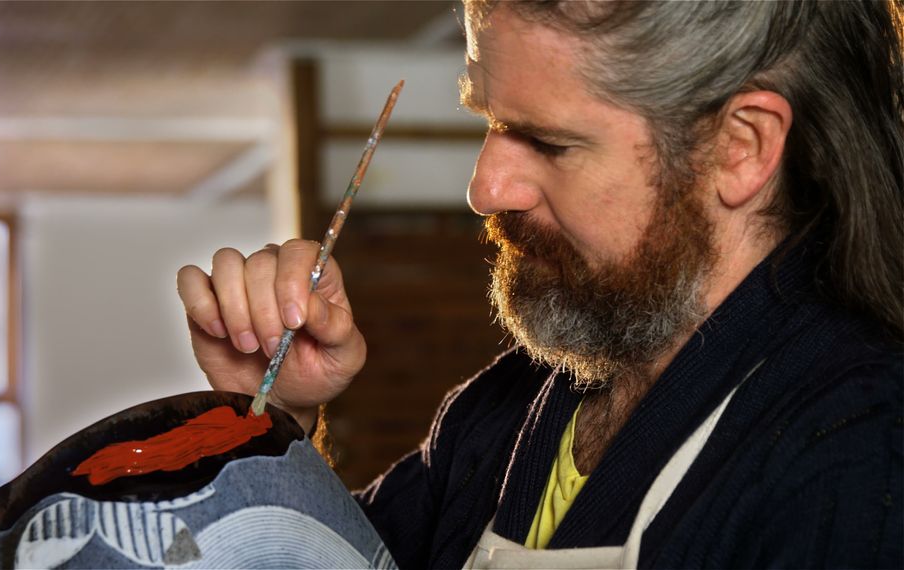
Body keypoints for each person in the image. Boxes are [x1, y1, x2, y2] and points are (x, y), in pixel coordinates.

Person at [178, 1, 903, 567]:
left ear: (739, 147)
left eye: (548, 143)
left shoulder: (861, 455)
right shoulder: (502, 414)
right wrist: (272, 421)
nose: (484, 189)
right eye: (489, 123)